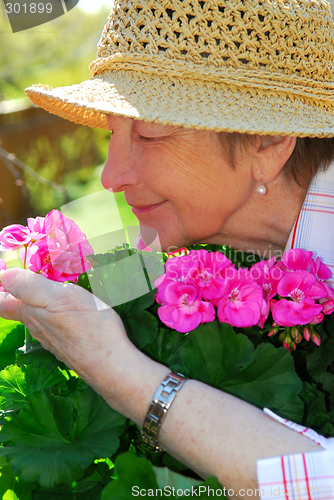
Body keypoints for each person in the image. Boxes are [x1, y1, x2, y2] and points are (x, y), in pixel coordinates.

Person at [1, 0, 334, 497]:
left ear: (268, 142)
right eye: (112, 135)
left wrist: (119, 373)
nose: (111, 177)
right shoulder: (189, 243)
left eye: (150, 134)